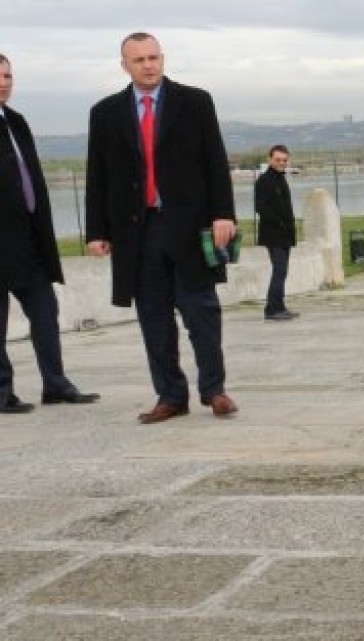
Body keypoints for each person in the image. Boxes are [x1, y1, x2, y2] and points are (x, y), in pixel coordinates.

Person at [85, 32, 238, 423]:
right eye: (139, 60)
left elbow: (215, 161)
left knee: (201, 310)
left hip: (189, 227)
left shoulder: (195, 102)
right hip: (138, 231)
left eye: (154, 57)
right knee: (153, 317)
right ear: (125, 65)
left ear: (163, 58)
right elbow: (97, 176)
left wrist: (224, 214)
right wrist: (97, 231)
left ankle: (214, 390)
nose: (148, 65)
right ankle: (170, 395)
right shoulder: (105, 113)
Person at [0, 54, 100, 414]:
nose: (5, 82)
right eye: (0, 77)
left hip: (28, 240)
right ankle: (2, 392)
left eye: (9, 75)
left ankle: (55, 384)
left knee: (45, 309)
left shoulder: (16, 121)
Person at [254, 144, 299, 321]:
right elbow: (261, 208)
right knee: (279, 271)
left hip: (285, 235)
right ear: (269, 159)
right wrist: (279, 223)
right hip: (274, 234)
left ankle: (279, 306)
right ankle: (272, 310)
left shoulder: (281, 178)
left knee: (282, 271)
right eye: (278, 160)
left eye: (284, 160)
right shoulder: (264, 180)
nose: (281, 163)